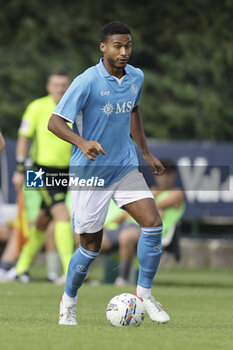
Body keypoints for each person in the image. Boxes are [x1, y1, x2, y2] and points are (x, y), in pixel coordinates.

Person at [48, 21, 170, 326]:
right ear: (103, 47)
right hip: (90, 173)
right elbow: (55, 123)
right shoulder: (86, 81)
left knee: (153, 222)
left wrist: (145, 152)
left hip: (124, 166)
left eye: (128, 45)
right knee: (90, 247)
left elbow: (134, 110)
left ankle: (144, 294)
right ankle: (69, 302)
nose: (124, 51)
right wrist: (82, 142)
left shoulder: (136, 77)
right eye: (117, 45)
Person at [12, 70, 74, 283]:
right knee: (62, 215)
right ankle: (70, 271)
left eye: (64, 85)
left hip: (65, 172)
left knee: (42, 220)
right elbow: (23, 138)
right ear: (48, 87)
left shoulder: (75, 108)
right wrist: (20, 169)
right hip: (39, 170)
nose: (60, 89)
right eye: (56, 85)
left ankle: (21, 269)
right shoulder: (37, 107)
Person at [102, 159, 185, 286]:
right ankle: (82, 276)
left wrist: (154, 199)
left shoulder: (177, 193)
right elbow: (129, 213)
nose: (165, 177)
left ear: (174, 175)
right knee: (93, 237)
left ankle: (123, 279)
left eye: (168, 173)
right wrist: (108, 225)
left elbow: (148, 207)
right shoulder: (151, 192)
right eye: (161, 173)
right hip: (129, 226)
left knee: (127, 236)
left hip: (151, 231)